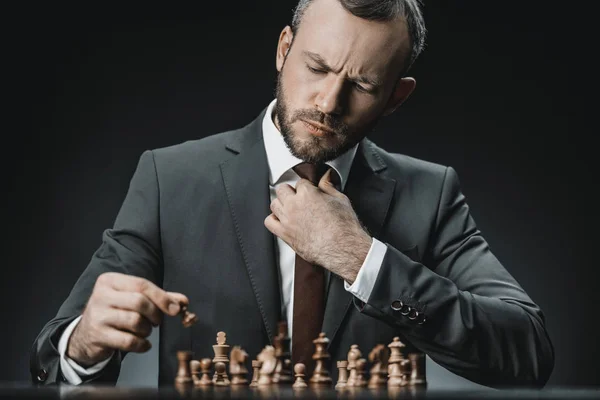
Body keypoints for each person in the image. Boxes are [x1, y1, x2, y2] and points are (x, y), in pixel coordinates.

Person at [30, 0, 554, 389]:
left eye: (364, 85)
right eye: (317, 68)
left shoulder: (431, 194)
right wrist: (84, 343)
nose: (328, 101)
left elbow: (527, 350)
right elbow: (52, 361)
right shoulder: (171, 178)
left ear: (396, 96)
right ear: (284, 50)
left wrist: (361, 259)